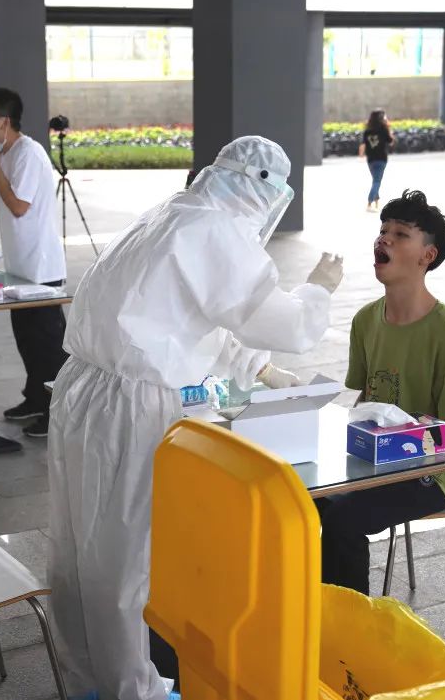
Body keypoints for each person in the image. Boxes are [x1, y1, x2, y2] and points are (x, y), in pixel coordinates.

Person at [46, 136, 344, 700]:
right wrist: (317, 292)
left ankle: (89, 678)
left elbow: (193, 316)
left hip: (83, 389)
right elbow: (282, 323)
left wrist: (261, 370)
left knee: (80, 543)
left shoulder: (172, 213)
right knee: (128, 555)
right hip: (132, 407)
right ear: (262, 192)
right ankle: (132, 691)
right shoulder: (215, 231)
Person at [317, 189, 445, 596]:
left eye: (401, 234)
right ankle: (309, 609)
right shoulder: (365, 320)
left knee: (342, 521)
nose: (384, 238)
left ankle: (350, 625)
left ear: (428, 255)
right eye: (383, 230)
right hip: (373, 463)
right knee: (298, 500)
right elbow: (366, 401)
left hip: (429, 475)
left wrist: (401, 447)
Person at [0, 87, 67, 438]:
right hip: (18, 266)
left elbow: (18, 206)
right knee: (27, 340)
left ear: (4, 120)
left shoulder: (28, 152)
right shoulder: (2, 153)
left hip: (41, 266)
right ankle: (35, 398)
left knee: (48, 344)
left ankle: (59, 412)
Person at [358, 109, 395, 213]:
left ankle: (377, 202)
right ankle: (369, 203)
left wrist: (361, 155)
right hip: (381, 158)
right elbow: (391, 141)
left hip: (371, 159)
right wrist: (388, 128)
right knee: (377, 181)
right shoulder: (383, 129)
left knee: (375, 180)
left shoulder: (367, 131)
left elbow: (363, 144)